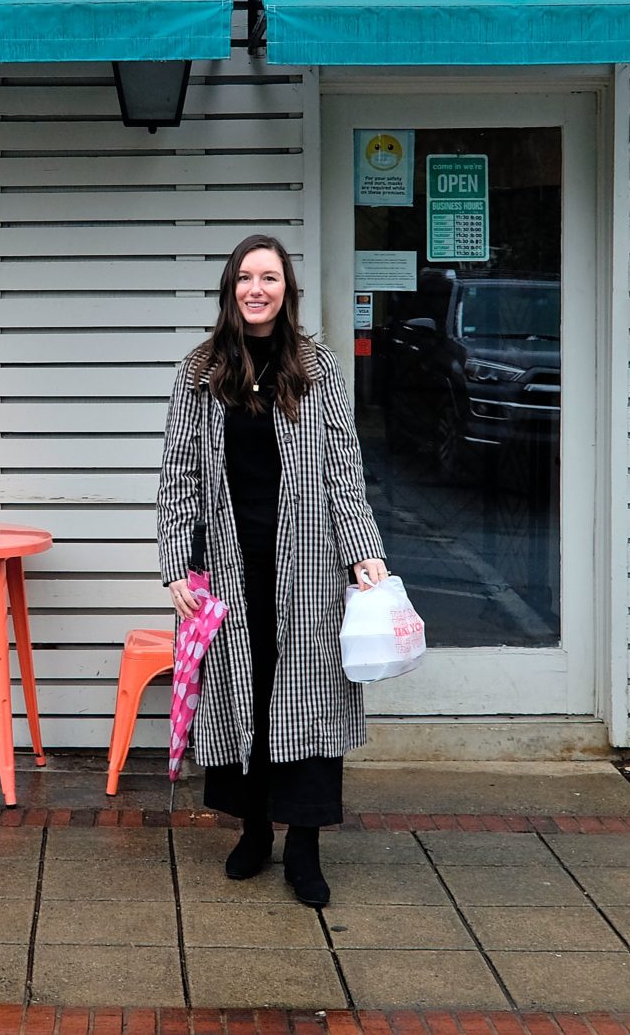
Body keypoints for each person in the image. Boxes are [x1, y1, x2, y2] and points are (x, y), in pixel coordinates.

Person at [156, 234, 388, 907]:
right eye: (246, 278)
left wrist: (363, 549)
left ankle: (306, 848)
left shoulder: (317, 368)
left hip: (310, 565)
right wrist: (176, 559)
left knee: (309, 701)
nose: (258, 289)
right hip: (230, 566)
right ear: (230, 289)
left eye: (271, 278)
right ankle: (255, 831)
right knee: (244, 697)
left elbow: (344, 470)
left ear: (288, 290)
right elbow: (178, 476)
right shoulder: (199, 374)